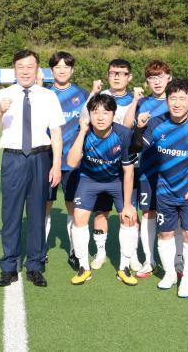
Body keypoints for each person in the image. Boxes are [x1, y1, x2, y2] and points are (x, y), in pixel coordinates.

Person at [0, 50, 64, 288]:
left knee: (37, 214)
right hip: (13, 159)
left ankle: (35, 265)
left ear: (37, 69)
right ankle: (8, 266)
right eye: (20, 66)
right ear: (14, 69)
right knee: (10, 214)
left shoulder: (48, 96)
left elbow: (57, 133)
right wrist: (0, 110)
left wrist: (57, 164)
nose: (25, 71)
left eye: (30, 67)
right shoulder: (3, 94)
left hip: (40, 157)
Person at [133, 78, 188, 298]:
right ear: (167, 100)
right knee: (166, 234)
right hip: (164, 190)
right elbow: (136, 147)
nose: (177, 103)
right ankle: (169, 273)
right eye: (173, 98)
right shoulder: (156, 123)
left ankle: (187, 278)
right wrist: (139, 128)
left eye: (182, 98)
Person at [66, 94, 139, 286]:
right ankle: (84, 268)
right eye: (95, 112)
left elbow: (128, 170)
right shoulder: (84, 131)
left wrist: (129, 204)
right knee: (79, 217)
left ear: (113, 115)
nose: (100, 117)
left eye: (105, 112)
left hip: (116, 180)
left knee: (129, 217)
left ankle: (124, 268)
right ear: (89, 114)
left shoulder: (123, 134)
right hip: (89, 180)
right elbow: (72, 162)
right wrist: (82, 133)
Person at [90, 59, 141, 270]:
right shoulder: (100, 98)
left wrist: (137, 101)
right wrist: (93, 93)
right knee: (101, 212)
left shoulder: (138, 99)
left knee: (129, 212)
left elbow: (130, 126)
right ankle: (100, 252)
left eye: (122, 73)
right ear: (108, 75)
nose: (117, 76)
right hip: (102, 165)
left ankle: (132, 256)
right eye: (113, 73)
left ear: (129, 77)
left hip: (129, 165)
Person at [46, 51, 90, 271]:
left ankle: (75, 251)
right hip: (47, 160)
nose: (62, 70)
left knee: (73, 207)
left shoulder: (82, 94)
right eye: (57, 67)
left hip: (74, 162)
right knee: (44, 205)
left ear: (72, 70)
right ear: (51, 70)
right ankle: (41, 251)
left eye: (66, 67)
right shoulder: (43, 94)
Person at [131, 60, 172, 278]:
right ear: (147, 81)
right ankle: (149, 259)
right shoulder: (143, 102)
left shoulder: (176, 100)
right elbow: (130, 127)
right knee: (148, 212)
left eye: (160, 76)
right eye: (152, 78)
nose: (156, 82)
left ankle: (177, 261)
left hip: (175, 169)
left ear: (169, 78)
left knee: (176, 213)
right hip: (147, 167)